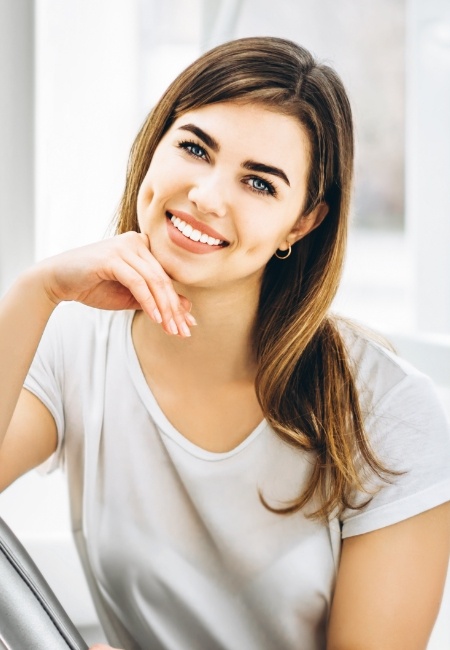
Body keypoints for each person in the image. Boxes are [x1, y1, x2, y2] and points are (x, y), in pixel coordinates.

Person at [0, 36, 449, 650]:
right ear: (154, 145)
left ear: (303, 221)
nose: (208, 197)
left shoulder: (390, 414)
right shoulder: (74, 342)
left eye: (260, 184)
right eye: (193, 148)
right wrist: (35, 290)